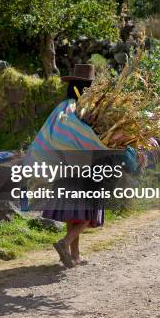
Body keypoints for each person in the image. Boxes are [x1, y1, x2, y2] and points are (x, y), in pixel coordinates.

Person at [24, 64, 106, 268]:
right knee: (90, 212)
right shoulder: (74, 109)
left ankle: (74, 255)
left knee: (74, 213)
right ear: (83, 88)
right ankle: (65, 243)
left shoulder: (62, 107)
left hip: (65, 170)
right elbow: (76, 137)